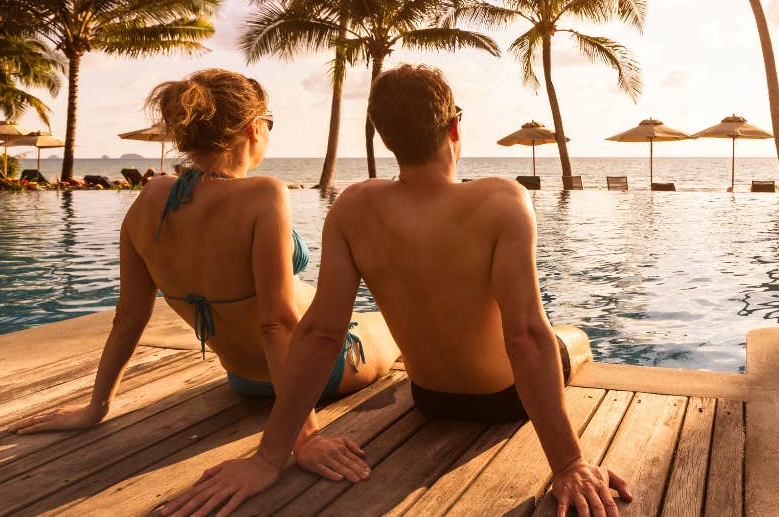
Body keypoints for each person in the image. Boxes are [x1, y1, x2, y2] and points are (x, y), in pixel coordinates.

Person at [164, 64, 631, 517]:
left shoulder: (353, 206)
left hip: (429, 397)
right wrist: (569, 464)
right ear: (454, 127)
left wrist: (269, 458)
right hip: (503, 402)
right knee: (570, 337)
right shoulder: (501, 199)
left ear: (384, 137)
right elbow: (525, 337)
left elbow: (319, 335)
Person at [9, 69, 398, 484]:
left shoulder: (150, 199)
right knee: (393, 322)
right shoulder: (265, 195)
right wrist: (304, 440)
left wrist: (96, 408)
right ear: (253, 127)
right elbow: (277, 324)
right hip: (318, 374)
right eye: (270, 122)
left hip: (244, 380)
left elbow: (128, 317)